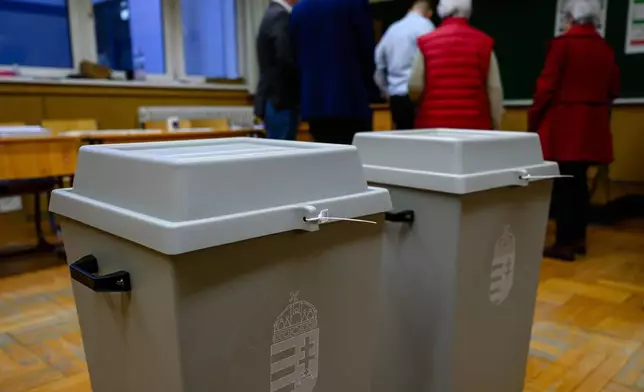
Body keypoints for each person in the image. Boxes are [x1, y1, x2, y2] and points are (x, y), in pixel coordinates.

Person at [528, 0, 620, 262]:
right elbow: (614, 89)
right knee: (578, 184)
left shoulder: (562, 45)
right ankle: (579, 238)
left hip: (565, 126)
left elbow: (546, 87)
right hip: (594, 125)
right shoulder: (605, 48)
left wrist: (533, 121)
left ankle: (564, 244)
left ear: (569, 18)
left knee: (564, 187)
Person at [408, 0, 504, 130]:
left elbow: (415, 86)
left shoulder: (425, 42)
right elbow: (494, 90)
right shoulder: (484, 42)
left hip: (433, 127)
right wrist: (495, 125)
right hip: (475, 127)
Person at [291, 0, 378, 144]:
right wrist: (371, 90)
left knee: (323, 158)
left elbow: (295, 56)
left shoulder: (299, 9)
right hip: (350, 98)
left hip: (314, 101)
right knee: (352, 158)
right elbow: (366, 51)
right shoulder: (355, 4)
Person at [374, 0, 435, 130]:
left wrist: (385, 91)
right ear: (429, 13)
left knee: (401, 143)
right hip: (419, 97)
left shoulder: (393, 29)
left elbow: (379, 62)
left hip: (395, 96)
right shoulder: (426, 27)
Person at [254, 0, 300, 140]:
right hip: (281, 100)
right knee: (285, 155)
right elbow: (285, 57)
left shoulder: (271, 13)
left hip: (272, 98)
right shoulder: (280, 16)